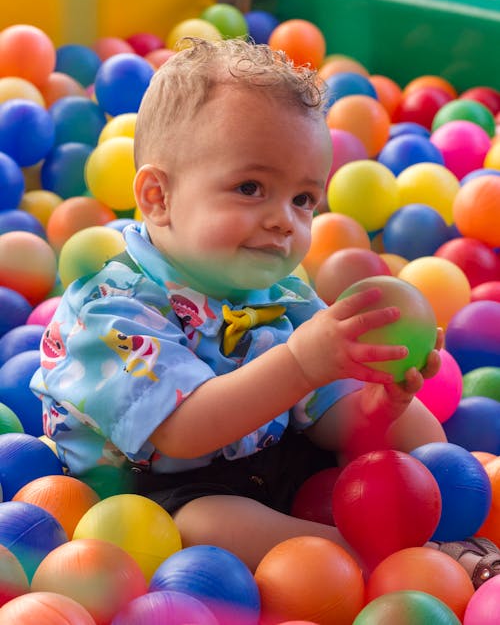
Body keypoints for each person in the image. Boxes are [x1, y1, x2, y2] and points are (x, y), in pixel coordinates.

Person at [31, 38, 499, 585]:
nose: (284, 221)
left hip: (268, 456)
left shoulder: (286, 296)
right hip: (159, 488)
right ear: (158, 197)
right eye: (251, 187)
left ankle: (443, 520)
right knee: (209, 526)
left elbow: (325, 419)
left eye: (303, 199)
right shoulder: (111, 313)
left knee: (415, 426)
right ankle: (375, 556)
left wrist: (376, 404)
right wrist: (302, 363)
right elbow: (184, 431)